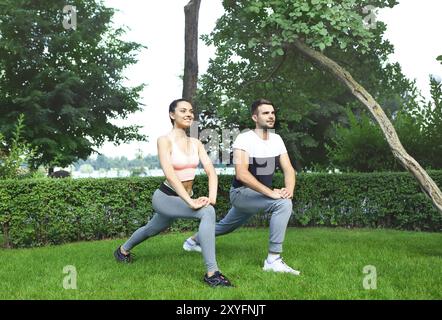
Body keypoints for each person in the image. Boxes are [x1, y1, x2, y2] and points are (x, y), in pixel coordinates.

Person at [114, 98, 233, 287]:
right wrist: (191, 202)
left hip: (182, 198)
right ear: (172, 115)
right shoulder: (164, 140)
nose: (189, 114)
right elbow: (170, 174)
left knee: (152, 229)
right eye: (183, 111)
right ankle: (213, 274)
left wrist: (212, 197)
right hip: (165, 197)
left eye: (191, 111)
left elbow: (211, 170)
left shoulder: (195, 142)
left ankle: (122, 251)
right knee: (207, 212)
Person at [183, 99, 300, 275]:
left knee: (225, 226)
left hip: (257, 195)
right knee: (283, 205)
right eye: (265, 113)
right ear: (255, 117)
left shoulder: (276, 139)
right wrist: (272, 193)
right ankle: (273, 260)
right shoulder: (244, 138)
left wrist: (288, 190)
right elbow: (242, 174)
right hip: (241, 193)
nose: (271, 116)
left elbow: (289, 169)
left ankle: (193, 241)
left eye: (273, 113)